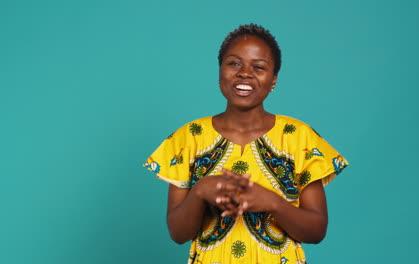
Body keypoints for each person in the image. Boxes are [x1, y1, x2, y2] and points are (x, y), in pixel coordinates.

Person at [144, 24, 348, 264]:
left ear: (273, 80)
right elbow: (178, 234)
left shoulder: (299, 137)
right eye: (234, 63)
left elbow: (316, 232)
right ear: (220, 71)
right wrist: (199, 192)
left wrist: (272, 202)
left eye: (259, 67)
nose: (245, 73)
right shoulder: (188, 138)